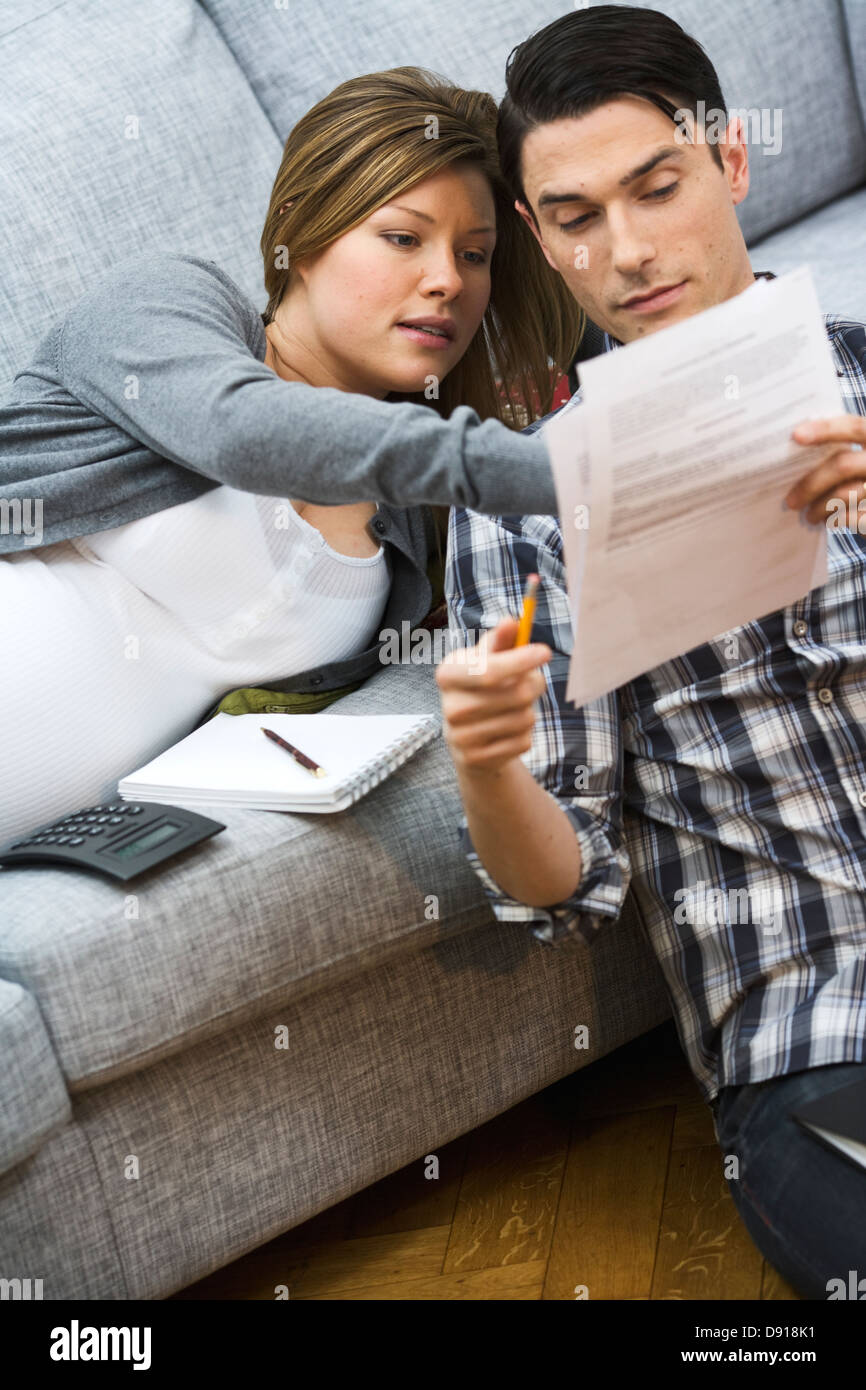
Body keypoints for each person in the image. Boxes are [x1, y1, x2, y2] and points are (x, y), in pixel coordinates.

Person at [436, 4, 866, 1299]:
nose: (624, 251)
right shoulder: (518, 504)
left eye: (656, 186)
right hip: (820, 1030)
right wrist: (485, 765)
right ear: (533, 235)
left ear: (730, 163)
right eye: (573, 216)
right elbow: (554, 885)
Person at [0, 66, 581, 846]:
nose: (446, 279)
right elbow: (246, 434)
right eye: (403, 238)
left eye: (474, 255)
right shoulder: (167, 306)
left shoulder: (418, 523)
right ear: (304, 238)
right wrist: (576, 475)